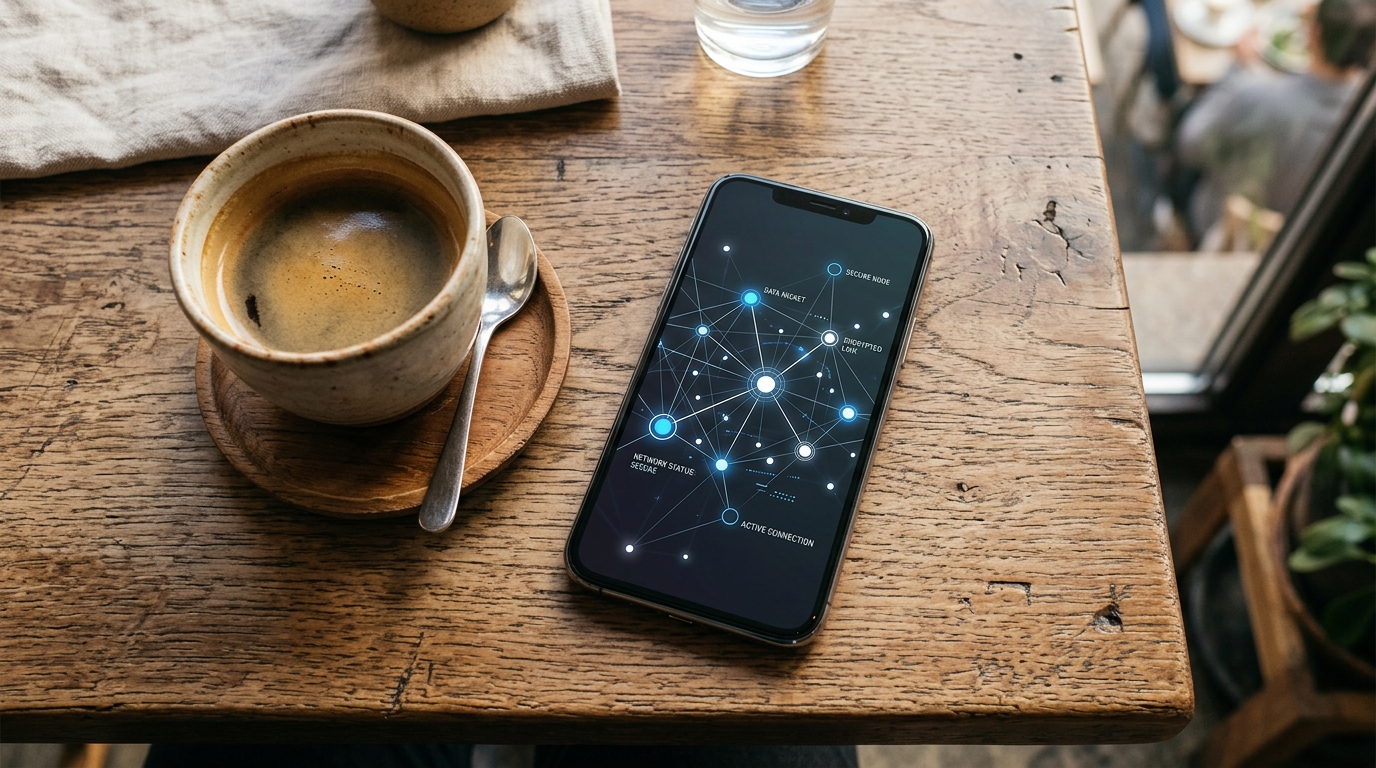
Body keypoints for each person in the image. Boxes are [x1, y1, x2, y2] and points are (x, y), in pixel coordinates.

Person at [1175, 0, 1376, 243]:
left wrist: (1236, 70)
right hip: (1301, 236)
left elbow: (1188, 146)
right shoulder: (1366, 125)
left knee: (1180, 135)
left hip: (1223, 226)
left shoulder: (1254, 95)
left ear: (1314, 32)